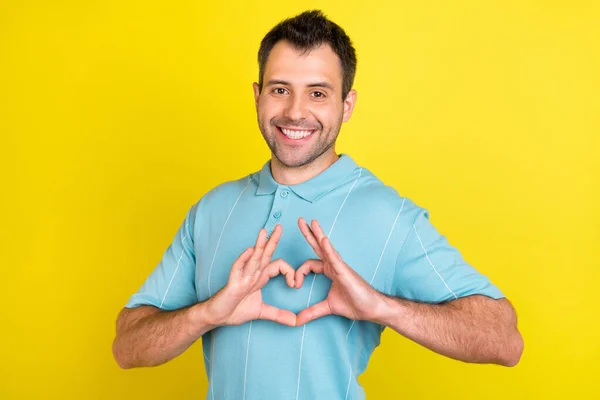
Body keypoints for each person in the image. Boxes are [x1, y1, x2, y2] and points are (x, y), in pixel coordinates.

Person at [112, 9, 524, 400]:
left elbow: (504, 339)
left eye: (317, 93)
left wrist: (382, 307)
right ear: (257, 96)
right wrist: (206, 314)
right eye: (279, 89)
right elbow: (127, 346)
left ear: (346, 105)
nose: (295, 111)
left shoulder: (389, 215)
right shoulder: (212, 208)